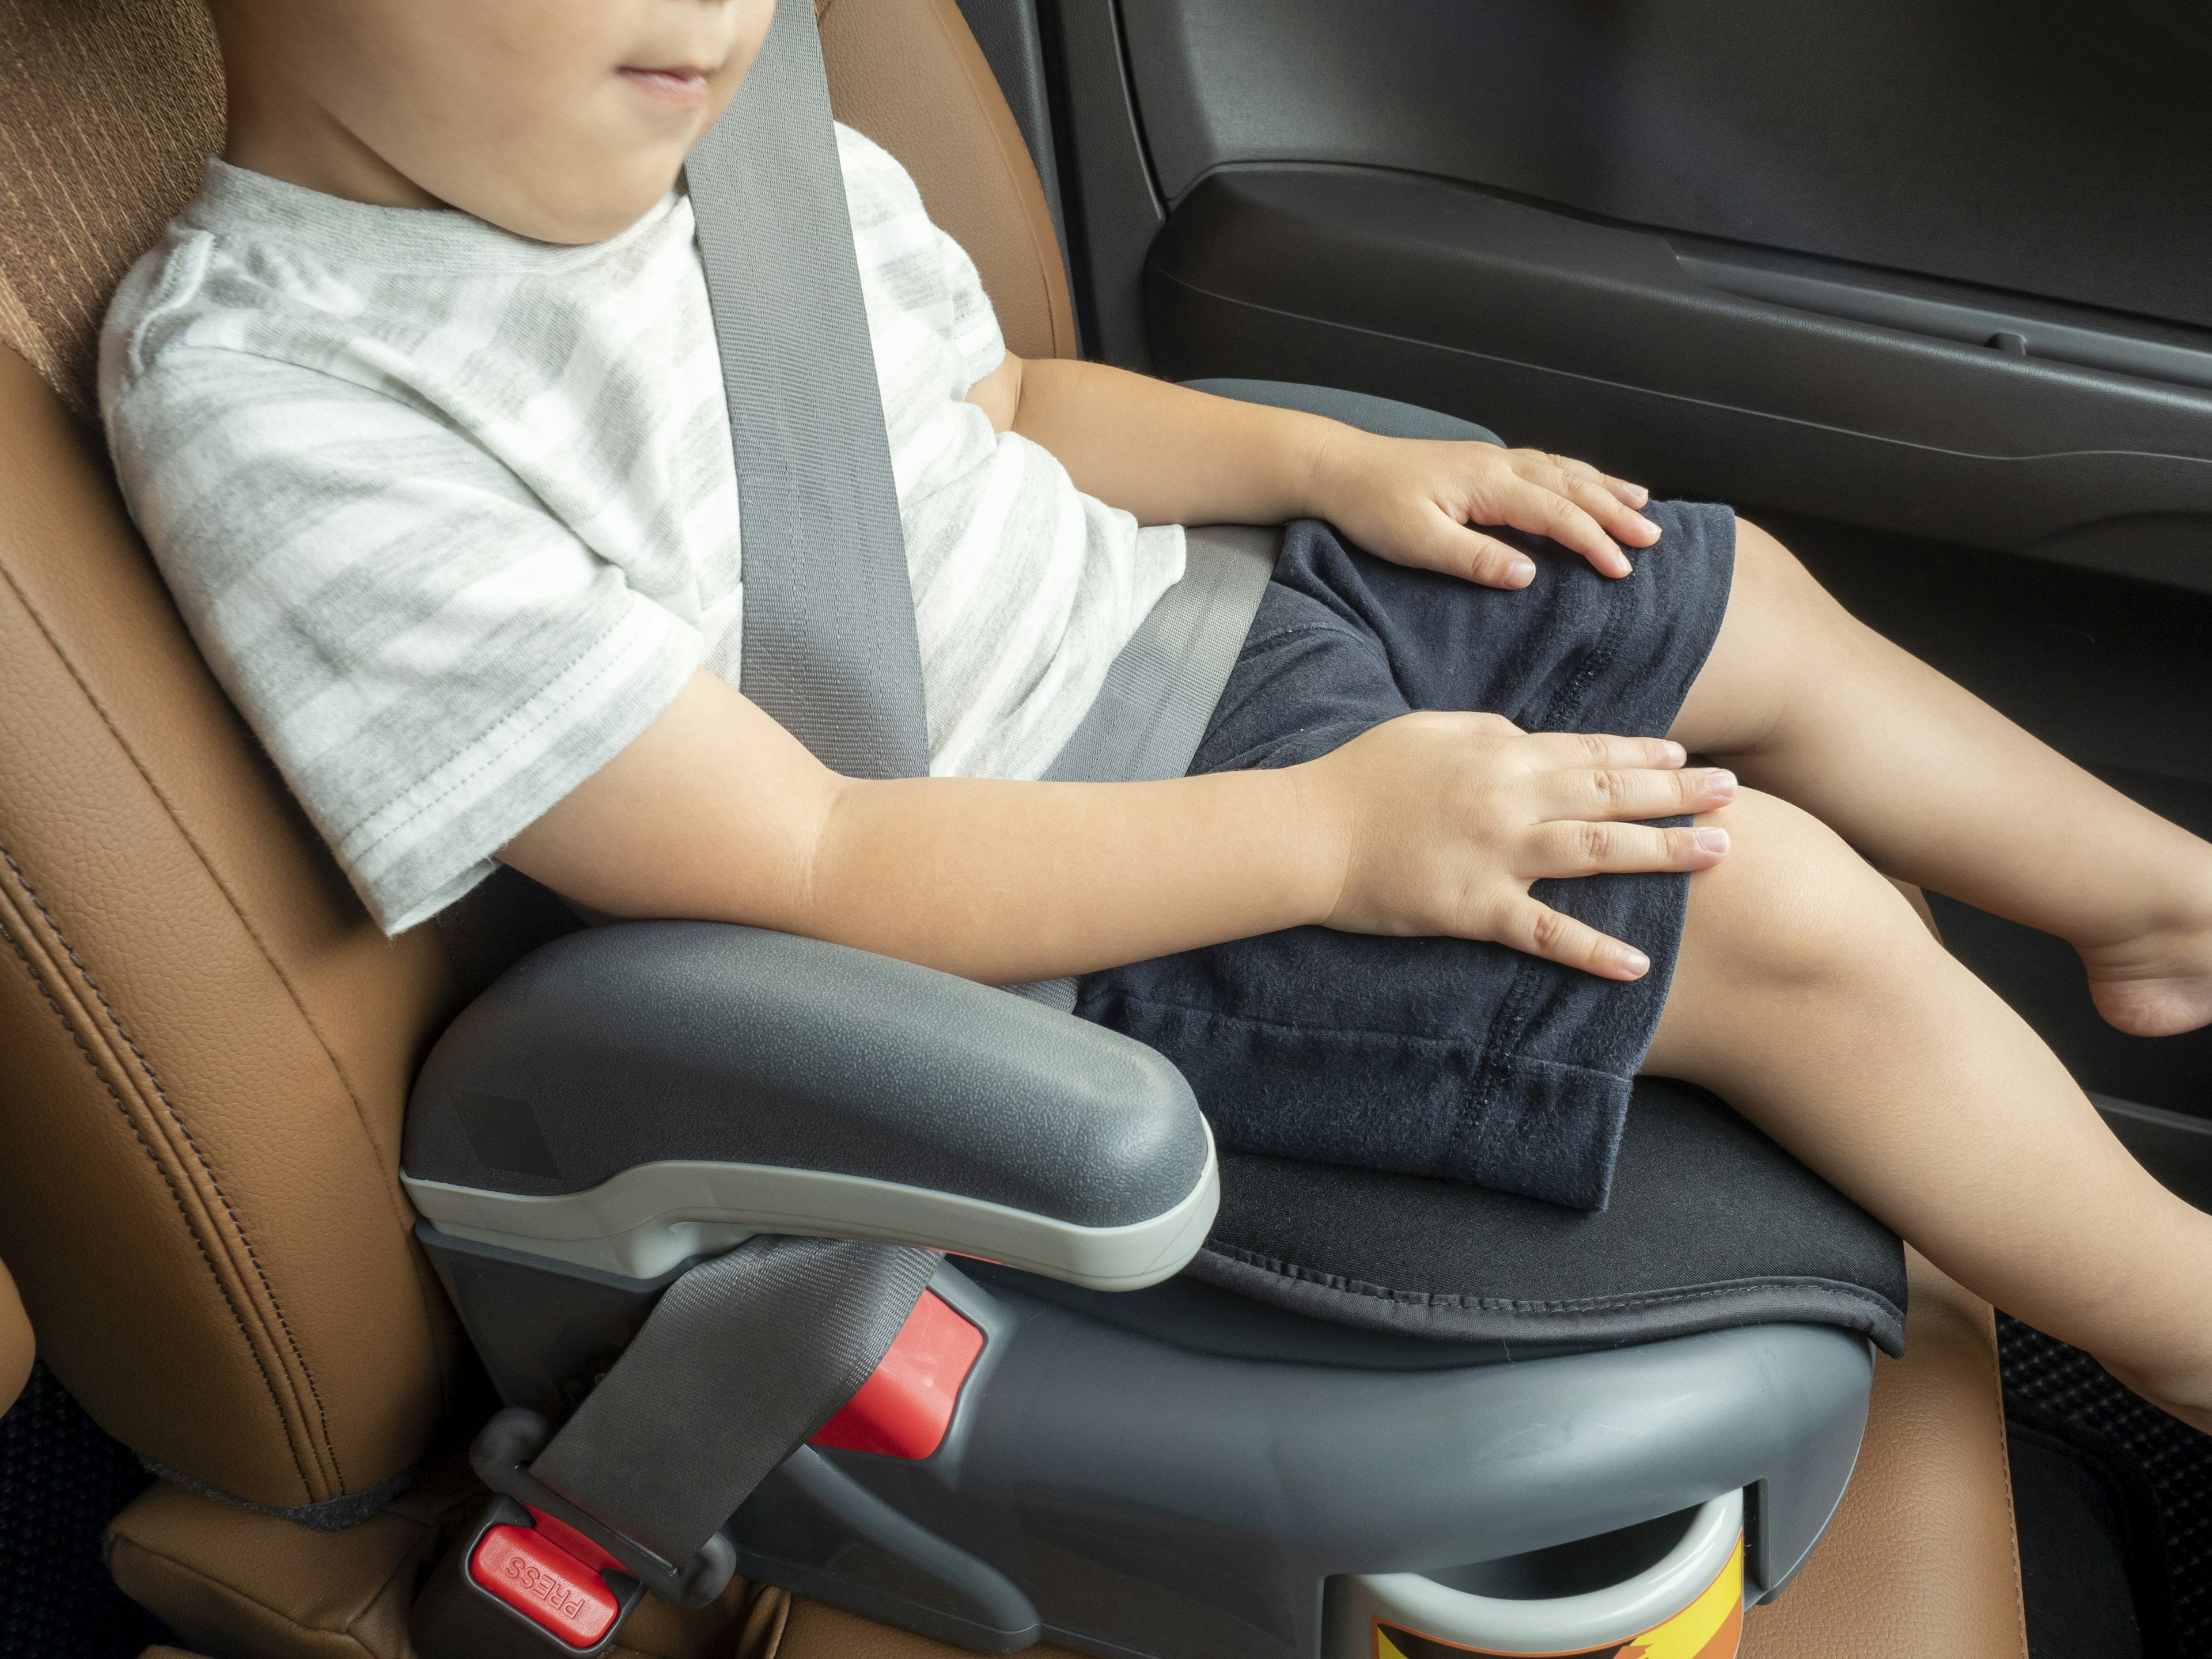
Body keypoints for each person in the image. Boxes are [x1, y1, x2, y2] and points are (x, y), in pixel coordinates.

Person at [103, 0, 2212, 1433]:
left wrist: (1312, 463)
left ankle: (2153, 900)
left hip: (1183, 627)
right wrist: (1333, 840)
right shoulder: (282, 392)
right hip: (1043, 900)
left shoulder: (714, 126)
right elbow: (802, 859)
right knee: (1782, 911)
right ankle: (2183, 1327)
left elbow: (997, 409)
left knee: (1716, 585)